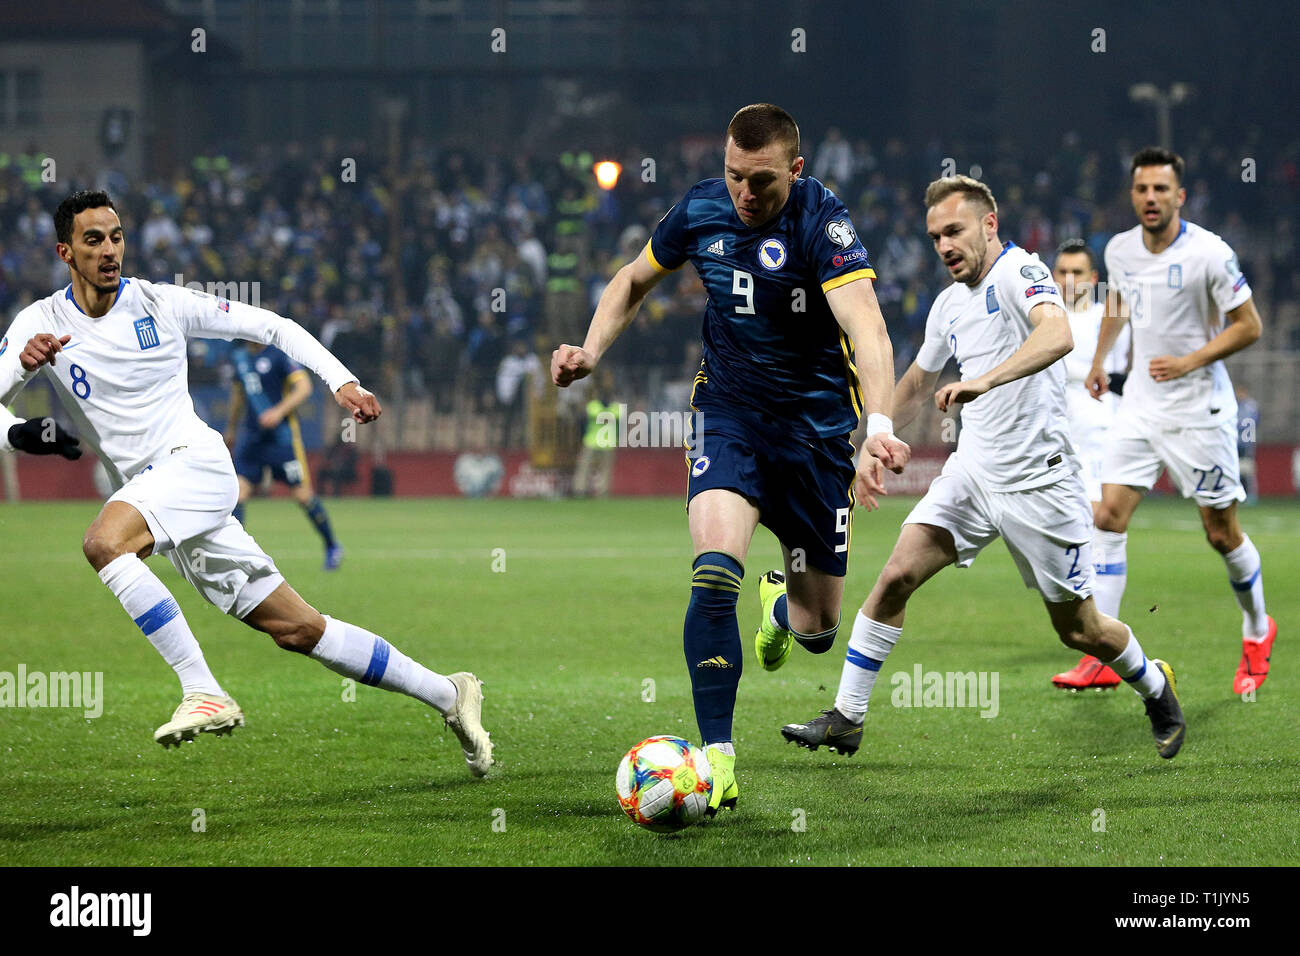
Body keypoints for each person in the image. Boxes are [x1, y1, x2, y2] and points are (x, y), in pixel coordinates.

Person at [0, 190, 492, 777]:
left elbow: (272, 325)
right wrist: (21, 429)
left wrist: (342, 382)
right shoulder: (39, 324)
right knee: (298, 629)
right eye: (93, 240)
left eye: (117, 236)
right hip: (156, 497)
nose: (110, 250)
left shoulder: (162, 303)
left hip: (194, 466)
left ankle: (201, 689)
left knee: (104, 543)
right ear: (65, 252)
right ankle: (449, 694)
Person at [552, 104, 910, 816]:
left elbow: (867, 326)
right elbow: (632, 279)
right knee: (714, 572)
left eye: (762, 180)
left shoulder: (822, 222)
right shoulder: (701, 209)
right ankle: (718, 757)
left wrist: (878, 427)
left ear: (796, 170)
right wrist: (591, 349)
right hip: (729, 416)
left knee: (817, 633)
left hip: (815, 438)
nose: (745, 193)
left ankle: (780, 603)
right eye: (734, 175)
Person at [781, 176, 1186, 761]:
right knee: (895, 578)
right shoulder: (948, 303)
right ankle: (847, 717)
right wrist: (876, 436)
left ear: (988, 224)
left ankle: (1154, 684)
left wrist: (985, 379)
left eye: (954, 231)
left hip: (1040, 483)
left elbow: (1057, 333)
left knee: (1080, 630)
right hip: (972, 475)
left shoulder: (1022, 272)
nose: (944, 245)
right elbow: (916, 382)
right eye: (935, 236)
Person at [1085, 148, 1273, 695]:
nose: (1151, 198)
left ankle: (1257, 627)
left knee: (1220, 533)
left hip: (1200, 412)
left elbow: (1250, 325)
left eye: (1161, 189)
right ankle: (1105, 652)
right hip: (1141, 406)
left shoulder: (1210, 254)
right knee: (1107, 517)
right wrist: (1100, 360)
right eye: (1142, 189)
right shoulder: (1119, 249)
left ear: (1180, 196)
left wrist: (1190, 361)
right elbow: (1118, 303)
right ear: (1132, 195)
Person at [1049, 238, 1132, 690]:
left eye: (1078, 272)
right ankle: (1097, 640)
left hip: (1101, 433)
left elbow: (1129, 302)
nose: (1069, 280)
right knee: (1073, 535)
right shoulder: (1045, 317)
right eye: (1062, 271)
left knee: (1102, 529)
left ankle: (1104, 651)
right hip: (1057, 439)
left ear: (1094, 278)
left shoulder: (1107, 313)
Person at [225, 341, 344, 570]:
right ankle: (236, 556)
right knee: (239, 493)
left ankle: (332, 546)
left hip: (281, 438)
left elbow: (304, 388)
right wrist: (231, 428)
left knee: (302, 495)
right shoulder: (239, 358)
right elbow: (238, 395)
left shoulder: (279, 356)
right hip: (251, 438)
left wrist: (278, 412)